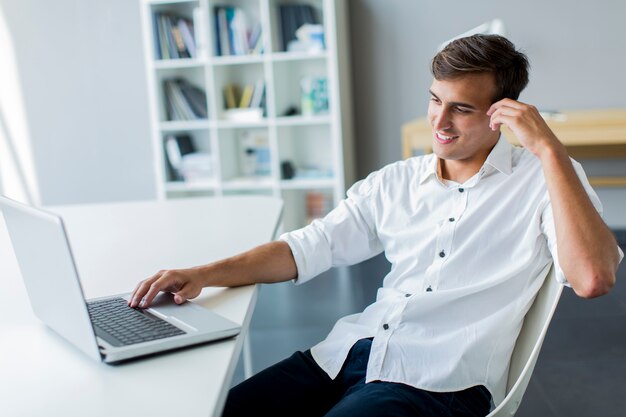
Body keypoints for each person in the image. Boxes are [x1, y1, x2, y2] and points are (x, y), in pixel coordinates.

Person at [129, 34, 622, 416]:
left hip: (439, 382)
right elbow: (307, 247)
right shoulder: (396, 181)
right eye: (435, 100)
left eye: (461, 108)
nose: (439, 121)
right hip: (346, 354)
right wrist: (202, 274)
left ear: (502, 114)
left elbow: (592, 277)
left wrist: (550, 148)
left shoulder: (543, 180)